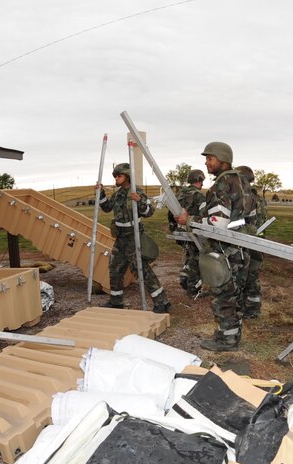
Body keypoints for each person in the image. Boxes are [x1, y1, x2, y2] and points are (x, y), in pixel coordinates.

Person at [176, 141, 247, 351]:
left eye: (210, 158)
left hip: (225, 248)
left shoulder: (222, 185)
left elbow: (218, 222)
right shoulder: (240, 180)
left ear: (222, 160)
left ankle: (227, 340)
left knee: (224, 295)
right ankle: (230, 334)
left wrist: (190, 220)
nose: (206, 163)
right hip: (240, 246)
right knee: (234, 294)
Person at [97, 163, 171, 313]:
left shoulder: (137, 192)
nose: (116, 179)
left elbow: (150, 212)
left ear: (127, 176)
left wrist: (139, 201)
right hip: (120, 239)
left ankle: (162, 302)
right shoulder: (118, 194)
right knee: (115, 269)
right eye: (115, 176)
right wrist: (101, 194)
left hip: (133, 238)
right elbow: (106, 208)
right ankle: (116, 301)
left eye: (119, 176)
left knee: (141, 270)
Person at [169, 169, 206, 297]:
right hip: (192, 230)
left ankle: (184, 278)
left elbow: (170, 214)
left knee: (189, 255)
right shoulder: (199, 196)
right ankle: (192, 288)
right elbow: (204, 215)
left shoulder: (179, 194)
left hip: (179, 230)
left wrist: (174, 229)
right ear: (199, 180)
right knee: (196, 258)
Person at [235, 165, 266, 318]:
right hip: (257, 241)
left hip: (248, 241)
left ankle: (242, 309)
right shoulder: (256, 197)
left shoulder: (246, 196)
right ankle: (253, 308)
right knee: (252, 276)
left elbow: (243, 221)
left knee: (243, 276)